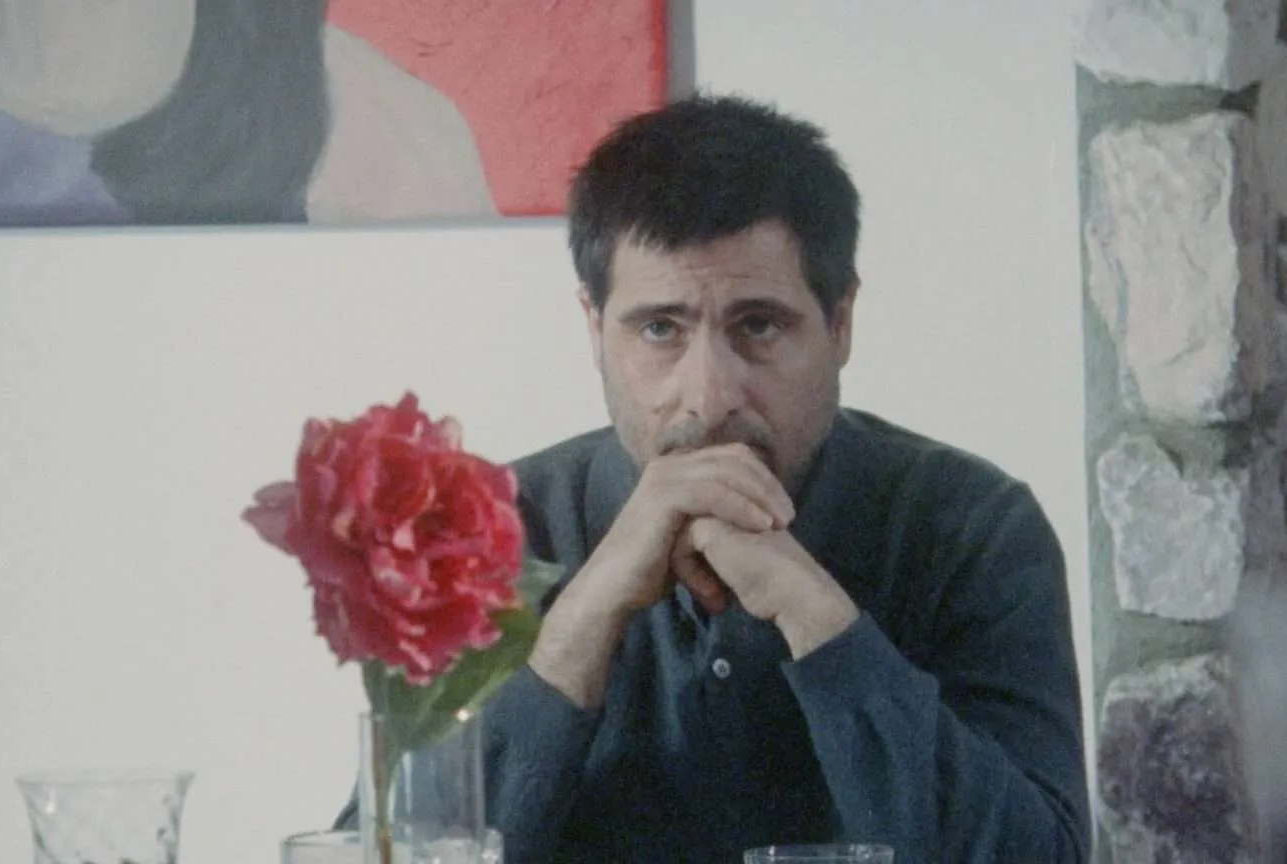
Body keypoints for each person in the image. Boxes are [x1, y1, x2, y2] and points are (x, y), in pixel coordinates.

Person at [342, 93, 1090, 863]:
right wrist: (582, 621)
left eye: (758, 325)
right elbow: (385, 850)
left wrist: (818, 618)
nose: (709, 396)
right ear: (595, 330)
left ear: (840, 324)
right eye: (659, 329)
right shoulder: (487, 532)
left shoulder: (972, 528)